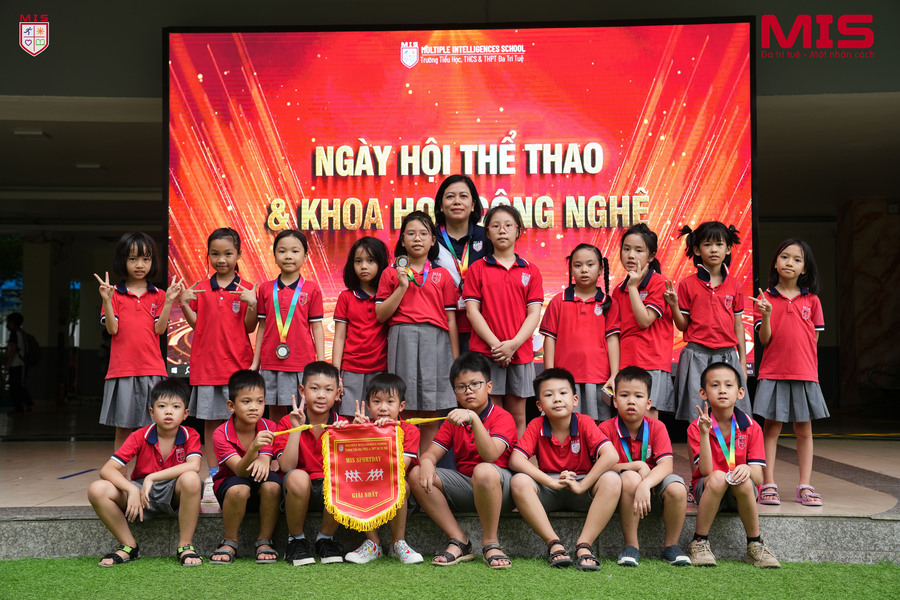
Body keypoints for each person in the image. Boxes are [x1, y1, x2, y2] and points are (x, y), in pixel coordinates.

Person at [408, 352, 517, 569]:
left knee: (484, 470)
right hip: (467, 487)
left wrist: (474, 419)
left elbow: (490, 456)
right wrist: (427, 462)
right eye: (461, 387)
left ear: (489, 386)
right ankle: (460, 541)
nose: (468, 391)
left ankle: (491, 543)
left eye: (475, 384)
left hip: (499, 490)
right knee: (416, 473)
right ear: (455, 393)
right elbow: (431, 454)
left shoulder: (502, 417)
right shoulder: (453, 420)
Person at [509, 367, 621, 571]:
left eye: (563, 393)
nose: (557, 399)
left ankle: (584, 545)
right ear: (539, 405)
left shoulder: (585, 422)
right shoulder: (536, 425)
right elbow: (515, 460)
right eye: (548, 395)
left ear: (575, 399)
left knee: (612, 479)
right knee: (518, 481)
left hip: (583, 489)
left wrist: (582, 485)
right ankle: (554, 544)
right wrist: (551, 481)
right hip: (550, 490)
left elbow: (611, 455)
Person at [87, 378, 203, 566]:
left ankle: (185, 545)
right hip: (141, 495)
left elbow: (194, 465)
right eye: (162, 406)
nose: (168, 411)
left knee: (191, 478)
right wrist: (132, 489)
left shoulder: (191, 434)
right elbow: (107, 469)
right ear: (151, 412)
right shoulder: (140, 435)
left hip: (173, 492)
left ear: (185, 414)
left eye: (176, 407)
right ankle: (129, 546)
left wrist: (152, 477)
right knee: (97, 489)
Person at [179, 227, 257, 503]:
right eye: (215, 254)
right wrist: (184, 304)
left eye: (227, 254)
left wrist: (252, 305)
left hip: (238, 369)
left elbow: (250, 327)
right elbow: (197, 325)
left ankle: (240, 472)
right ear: (208, 255)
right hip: (207, 368)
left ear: (239, 255)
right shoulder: (200, 288)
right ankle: (214, 477)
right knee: (212, 425)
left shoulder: (248, 288)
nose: (221, 259)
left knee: (242, 424)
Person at [750, 239, 829, 507]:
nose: (789, 263)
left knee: (804, 430)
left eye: (797, 259)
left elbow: (813, 341)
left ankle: (805, 485)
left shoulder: (813, 300)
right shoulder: (764, 298)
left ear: (804, 268)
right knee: (771, 429)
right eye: (784, 257)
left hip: (805, 374)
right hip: (773, 372)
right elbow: (764, 339)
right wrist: (767, 315)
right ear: (775, 262)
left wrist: (806, 368)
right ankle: (768, 484)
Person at [376, 211, 459, 453]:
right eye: (411, 233)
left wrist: (455, 359)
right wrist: (402, 287)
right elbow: (381, 315)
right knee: (405, 407)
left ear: (433, 240)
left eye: (424, 234)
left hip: (436, 341)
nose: (417, 238)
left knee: (431, 410)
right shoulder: (391, 273)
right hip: (402, 338)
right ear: (402, 240)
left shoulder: (442, 275)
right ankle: (407, 464)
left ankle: (425, 464)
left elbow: (451, 320)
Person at [687, 362, 780, 568]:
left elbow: (759, 477)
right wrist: (704, 433)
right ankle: (699, 541)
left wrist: (746, 468)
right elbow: (705, 471)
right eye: (715, 385)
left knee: (745, 481)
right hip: (709, 490)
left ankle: (755, 544)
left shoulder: (752, 427)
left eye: (728, 385)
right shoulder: (696, 427)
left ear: (740, 393)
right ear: (703, 393)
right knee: (718, 477)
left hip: (741, 494)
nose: (722, 390)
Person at [95, 232, 183, 449]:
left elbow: (160, 329)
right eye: (133, 259)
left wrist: (169, 302)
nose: (140, 265)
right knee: (123, 429)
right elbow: (112, 329)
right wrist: (107, 301)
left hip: (152, 369)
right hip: (122, 370)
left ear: (153, 262)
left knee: (154, 429)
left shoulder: (159, 295)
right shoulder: (114, 294)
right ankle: (121, 470)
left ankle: (150, 470)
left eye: (146, 259)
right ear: (122, 261)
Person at [463, 205, 543, 436]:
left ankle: (518, 457)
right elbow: (472, 312)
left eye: (508, 225)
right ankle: (493, 458)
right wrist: (497, 347)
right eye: (495, 226)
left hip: (520, 352)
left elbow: (534, 314)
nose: (502, 230)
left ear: (518, 231)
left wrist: (513, 345)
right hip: (486, 353)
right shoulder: (477, 269)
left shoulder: (531, 271)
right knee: (490, 413)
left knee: (518, 415)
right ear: (487, 232)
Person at [598, 366, 690, 567]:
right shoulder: (605, 428)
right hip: (624, 488)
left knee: (677, 487)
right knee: (630, 477)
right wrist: (637, 466)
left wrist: (645, 484)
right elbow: (601, 466)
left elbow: (666, 465)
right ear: (615, 400)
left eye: (638, 396)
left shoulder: (657, 427)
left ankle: (671, 546)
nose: (631, 401)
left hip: (652, 484)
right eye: (624, 395)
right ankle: (631, 545)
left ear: (648, 403)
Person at [664, 221, 750, 421]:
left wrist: (743, 363)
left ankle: (726, 445)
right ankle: (698, 444)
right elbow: (683, 325)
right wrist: (674, 305)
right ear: (696, 249)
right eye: (707, 244)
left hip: (727, 356)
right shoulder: (687, 284)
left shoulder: (735, 285)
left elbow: (738, 326)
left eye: (719, 244)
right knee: (696, 415)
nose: (713, 249)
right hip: (696, 355)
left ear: (728, 249)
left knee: (729, 414)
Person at [344, 373, 424, 564]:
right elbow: (353, 464)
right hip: (370, 483)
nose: (383, 407)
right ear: (368, 405)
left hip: (402, 491)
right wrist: (359, 433)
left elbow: (400, 467)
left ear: (401, 406)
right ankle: (373, 543)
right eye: (377, 401)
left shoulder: (410, 430)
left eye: (390, 401)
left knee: (400, 484)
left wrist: (384, 434)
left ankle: (398, 543)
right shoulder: (364, 428)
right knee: (358, 481)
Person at [276, 361, 349, 565]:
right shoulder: (287, 422)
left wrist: (344, 437)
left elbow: (348, 470)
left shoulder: (343, 425)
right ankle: (296, 540)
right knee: (299, 477)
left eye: (328, 390)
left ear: (338, 393)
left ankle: (325, 539)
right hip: (296, 491)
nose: (321, 395)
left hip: (329, 492)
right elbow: (287, 467)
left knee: (342, 478)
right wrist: (296, 429)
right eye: (314, 388)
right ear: (302, 390)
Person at [251, 229, 325, 424]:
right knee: (274, 412)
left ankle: (300, 444)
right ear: (274, 255)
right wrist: (256, 362)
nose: (288, 256)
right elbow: (262, 326)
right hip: (270, 361)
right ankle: (278, 443)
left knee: (303, 411)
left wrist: (321, 363)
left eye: (295, 251)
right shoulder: (265, 289)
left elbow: (317, 327)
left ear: (305, 256)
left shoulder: (312, 289)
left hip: (302, 362)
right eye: (282, 251)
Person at [540, 243, 619, 422]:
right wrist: (550, 375)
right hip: (564, 380)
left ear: (601, 269)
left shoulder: (609, 303)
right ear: (571, 269)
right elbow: (550, 340)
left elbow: (612, 340)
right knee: (565, 425)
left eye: (590, 265)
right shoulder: (558, 302)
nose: (584, 270)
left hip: (598, 378)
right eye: (578, 265)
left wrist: (614, 374)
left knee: (597, 427)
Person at [209, 370, 281, 564]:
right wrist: (254, 448)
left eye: (260, 401)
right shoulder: (220, 434)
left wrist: (264, 457)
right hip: (232, 488)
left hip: (260, 488)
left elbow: (266, 460)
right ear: (231, 406)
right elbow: (240, 471)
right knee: (239, 488)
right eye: (246, 401)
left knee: (273, 485)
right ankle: (230, 541)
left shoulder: (270, 427)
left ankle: (264, 541)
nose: (254, 407)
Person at [611, 223, 675, 419]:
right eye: (626, 249)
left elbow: (644, 320)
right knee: (627, 419)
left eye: (639, 250)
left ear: (651, 256)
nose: (631, 255)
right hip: (625, 365)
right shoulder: (617, 291)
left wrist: (632, 287)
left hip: (652, 363)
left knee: (648, 420)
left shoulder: (659, 283)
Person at [433, 174, 492, 352]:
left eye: (463, 196)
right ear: (441, 205)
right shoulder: (428, 238)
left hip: (482, 327)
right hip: (439, 326)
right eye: (450, 196)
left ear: (473, 205)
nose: (457, 201)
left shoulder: (488, 237)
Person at [332, 237, 390, 418]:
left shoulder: (388, 297)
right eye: (358, 261)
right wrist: (336, 375)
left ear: (381, 263)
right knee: (349, 419)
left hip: (380, 368)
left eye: (370, 260)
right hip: (351, 369)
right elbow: (339, 338)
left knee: (378, 419)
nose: (364, 266)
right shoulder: (345, 297)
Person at [4, 312, 33, 416]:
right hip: (19, 364)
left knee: (15, 388)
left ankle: (21, 407)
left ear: (12, 323)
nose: (7, 324)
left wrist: (7, 364)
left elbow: (13, 350)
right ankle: (25, 405)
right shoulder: (21, 332)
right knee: (18, 387)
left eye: (8, 322)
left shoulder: (14, 334)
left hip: (17, 364)